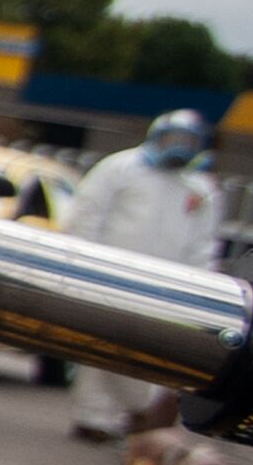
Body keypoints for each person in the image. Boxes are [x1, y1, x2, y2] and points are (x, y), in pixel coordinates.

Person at [60, 110, 228, 445]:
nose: (179, 146)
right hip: (112, 273)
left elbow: (204, 243)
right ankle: (93, 418)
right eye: (173, 138)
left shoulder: (200, 187)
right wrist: (83, 260)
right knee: (101, 347)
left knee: (149, 351)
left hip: (167, 285)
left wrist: (201, 285)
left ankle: (138, 414)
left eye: (188, 141)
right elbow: (88, 213)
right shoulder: (120, 168)